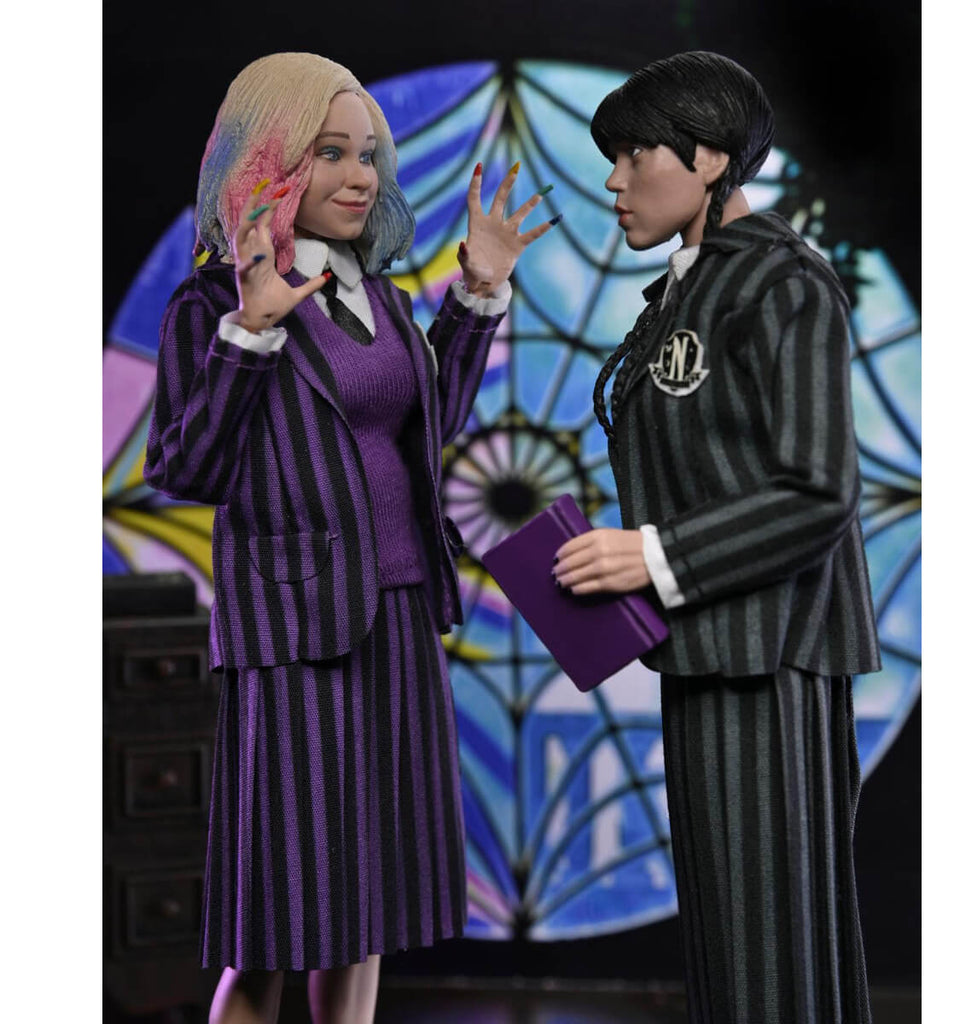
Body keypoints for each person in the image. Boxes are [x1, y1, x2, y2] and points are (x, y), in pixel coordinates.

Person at [144, 51, 556, 1024]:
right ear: (268, 158)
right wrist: (250, 336)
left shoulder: (385, 298)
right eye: (330, 152)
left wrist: (479, 293)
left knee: (366, 905)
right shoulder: (210, 305)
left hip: (398, 619)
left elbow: (428, 425)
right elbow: (185, 469)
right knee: (278, 920)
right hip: (294, 638)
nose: (360, 175)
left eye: (368, 154)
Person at [553, 51, 881, 1024]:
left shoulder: (781, 282)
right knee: (730, 938)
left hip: (770, 655)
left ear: (706, 158)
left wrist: (653, 555)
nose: (614, 181)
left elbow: (819, 488)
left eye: (635, 155)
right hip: (705, 647)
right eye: (611, 159)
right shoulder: (683, 293)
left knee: (772, 939)